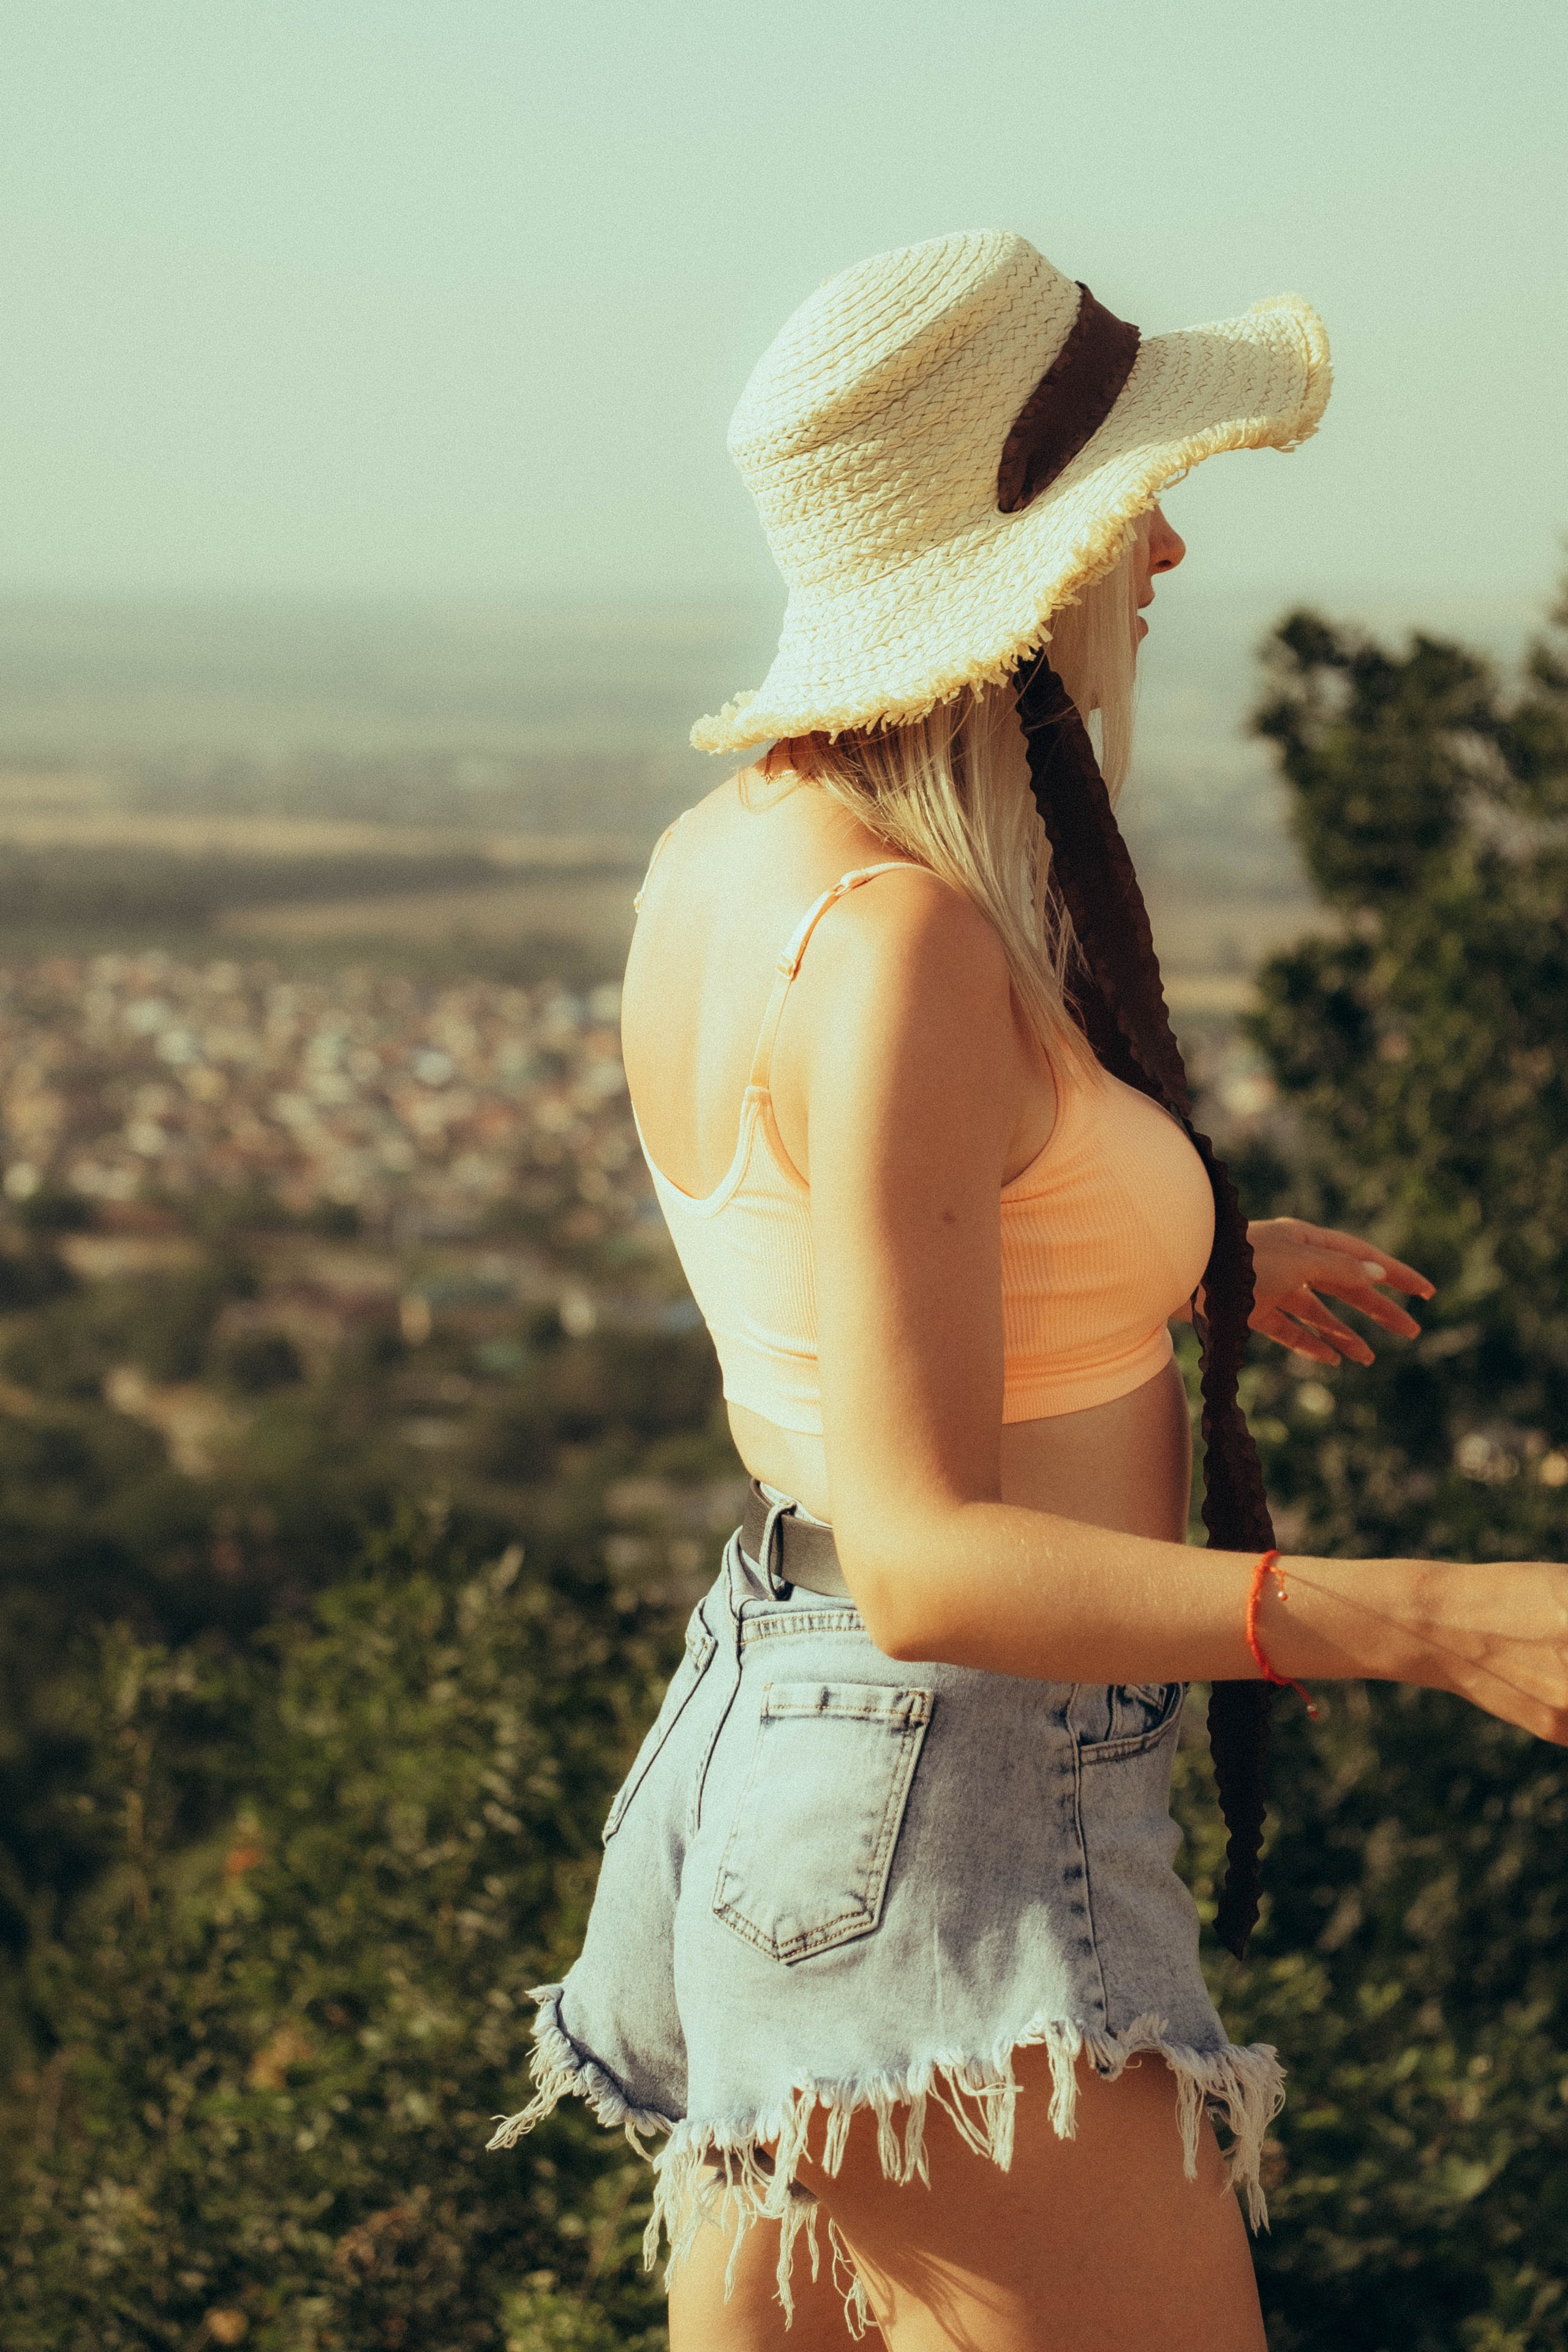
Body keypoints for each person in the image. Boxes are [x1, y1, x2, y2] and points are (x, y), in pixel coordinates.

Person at [489, 231, 1568, 2350]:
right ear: (1022, 549)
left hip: (776, 1774)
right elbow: (936, 1567)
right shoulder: (903, 945)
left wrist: (1188, 1249)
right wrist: (1449, 1620)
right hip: (946, 1801)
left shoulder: (729, 862)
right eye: (1125, 500)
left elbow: (856, 1242)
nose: (1161, 549)